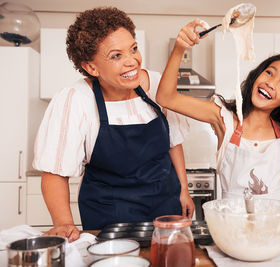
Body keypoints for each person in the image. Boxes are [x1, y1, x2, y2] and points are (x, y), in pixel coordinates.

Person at [33, 7, 194, 241]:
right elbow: (55, 172)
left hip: (166, 206)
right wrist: (64, 223)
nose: (132, 61)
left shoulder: (157, 84)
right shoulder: (75, 99)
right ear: (91, 67)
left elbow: (173, 142)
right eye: (116, 56)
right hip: (109, 215)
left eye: (134, 49)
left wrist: (184, 190)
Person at [156, 20, 280, 203]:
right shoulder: (224, 118)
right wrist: (179, 48)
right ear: (258, 75)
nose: (271, 83)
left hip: (273, 224)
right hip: (233, 225)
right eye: (269, 73)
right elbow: (165, 98)